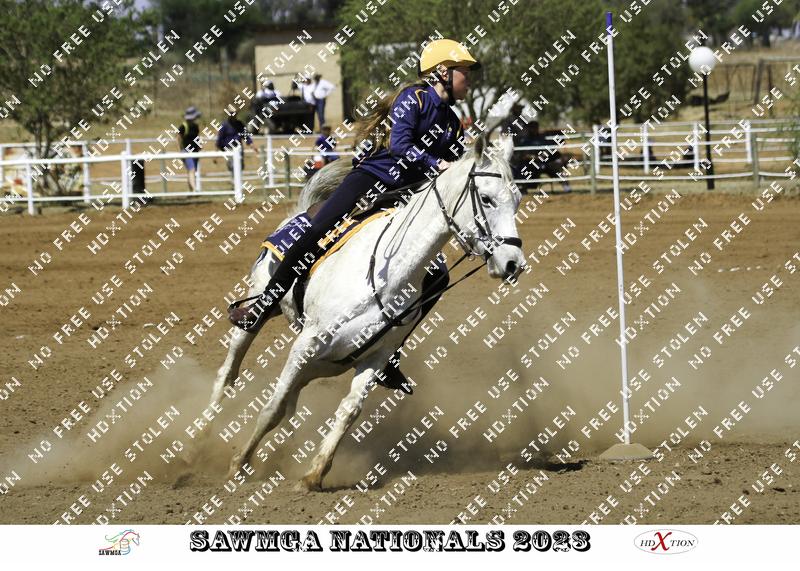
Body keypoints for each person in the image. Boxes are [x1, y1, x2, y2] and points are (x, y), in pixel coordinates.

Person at [228, 38, 481, 391]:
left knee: (436, 275)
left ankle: (389, 353)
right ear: (443, 72)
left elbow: (453, 172)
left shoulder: (453, 123)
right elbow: (400, 146)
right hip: (372, 181)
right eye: (464, 71)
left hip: (407, 199)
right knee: (317, 230)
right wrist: (435, 162)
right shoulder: (415, 99)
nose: (469, 79)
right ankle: (263, 305)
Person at [177, 106, 202, 191]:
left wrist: (199, 145)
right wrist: (180, 150)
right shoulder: (183, 126)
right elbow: (178, 138)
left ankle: (191, 191)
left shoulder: (195, 126)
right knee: (192, 169)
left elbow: (197, 137)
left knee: (192, 171)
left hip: (195, 151)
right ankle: (194, 190)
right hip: (186, 152)